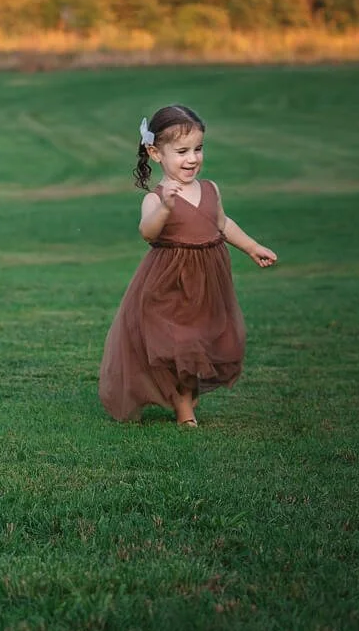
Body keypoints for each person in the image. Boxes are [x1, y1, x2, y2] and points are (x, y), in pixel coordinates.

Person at [98, 103, 279, 426]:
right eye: (182, 151)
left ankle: (185, 393)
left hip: (208, 280)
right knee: (180, 343)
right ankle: (184, 411)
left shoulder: (210, 189)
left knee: (204, 340)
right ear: (156, 153)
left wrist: (252, 247)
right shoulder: (157, 198)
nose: (193, 158)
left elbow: (222, 223)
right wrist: (165, 210)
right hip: (169, 280)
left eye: (198, 149)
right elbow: (146, 232)